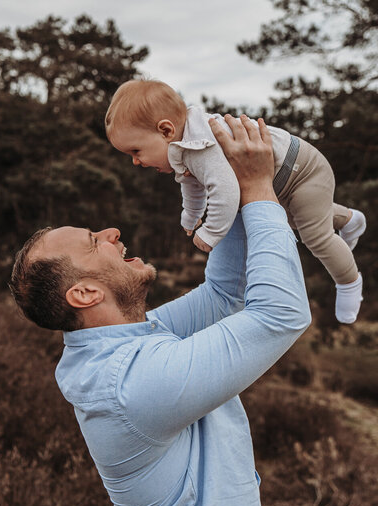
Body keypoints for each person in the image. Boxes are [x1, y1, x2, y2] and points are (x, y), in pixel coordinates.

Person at [10, 115, 311, 506]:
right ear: (85, 292)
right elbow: (280, 314)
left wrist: (228, 184)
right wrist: (258, 190)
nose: (110, 231)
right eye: (93, 242)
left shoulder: (132, 343)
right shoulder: (131, 382)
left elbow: (224, 294)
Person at [105, 79, 366, 325]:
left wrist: (210, 232)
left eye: (136, 151)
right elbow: (193, 184)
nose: (135, 162)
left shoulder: (203, 148)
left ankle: (349, 281)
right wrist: (190, 216)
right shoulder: (184, 147)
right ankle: (350, 219)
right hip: (279, 179)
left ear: (165, 130)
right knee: (303, 217)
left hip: (302, 171)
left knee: (314, 235)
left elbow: (226, 192)